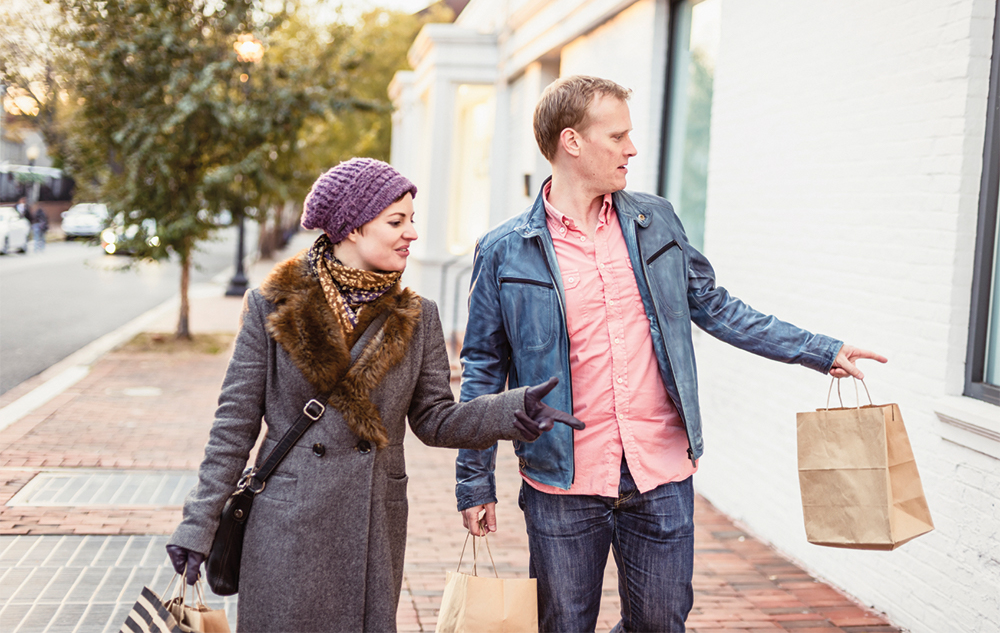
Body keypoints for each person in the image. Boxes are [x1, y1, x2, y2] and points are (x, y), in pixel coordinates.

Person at [454, 76, 887, 633]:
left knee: (661, 624)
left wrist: (819, 350)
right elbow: (483, 369)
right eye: (618, 136)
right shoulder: (505, 249)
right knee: (563, 624)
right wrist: (475, 481)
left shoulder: (653, 219)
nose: (632, 149)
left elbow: (717, 307)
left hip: (659, 473)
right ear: (572, 142)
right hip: (561, 481)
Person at [165, 158, 584, 633]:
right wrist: (197, 526)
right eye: (396, 221)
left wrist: (510, 410)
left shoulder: (418, 316)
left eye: (411, 220)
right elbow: (233, 427)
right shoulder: (272, 306)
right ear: (352, 228)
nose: (412, 234)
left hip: (370, 527)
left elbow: (435, 419)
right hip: (286, 528)